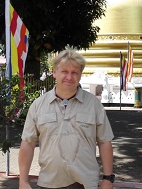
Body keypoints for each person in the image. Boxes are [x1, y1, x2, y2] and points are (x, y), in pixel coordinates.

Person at [19, 47, 115, 189]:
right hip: (49, 182)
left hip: (86, 183)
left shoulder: (94, 105)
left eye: (74, 72)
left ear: (80, 75)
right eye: (64, 71)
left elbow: (105, 142)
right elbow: (28, 143)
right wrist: (23, 180)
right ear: (54, 73)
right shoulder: (38, 105)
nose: (69, 77)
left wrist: (108, 179)